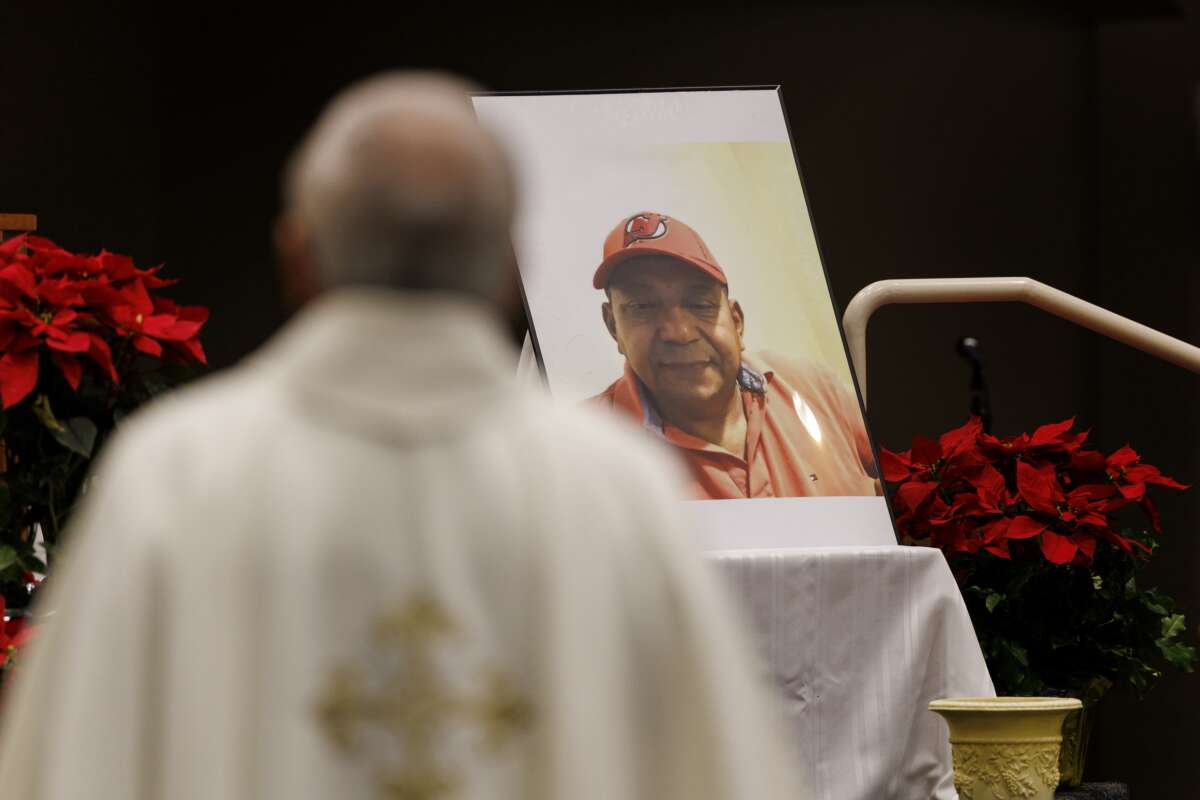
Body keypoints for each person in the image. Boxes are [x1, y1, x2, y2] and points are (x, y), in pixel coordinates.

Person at [0, 75, 806, 799]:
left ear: (298, 257)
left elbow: (72, 769)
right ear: (502, 270)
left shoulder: (178, 474)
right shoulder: (617, 488)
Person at [592, 211, 880, 501]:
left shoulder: (817, 390)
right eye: (642, 306)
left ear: (736, 320)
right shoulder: (587, 452)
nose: (679, 332)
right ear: (613, 326)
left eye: (699, 303)